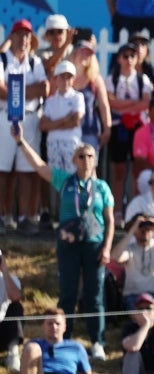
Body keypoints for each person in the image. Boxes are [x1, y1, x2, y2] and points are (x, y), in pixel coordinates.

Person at [13, 123, 113, 360]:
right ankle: (64, 339)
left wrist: (107, 248)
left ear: (95, 160)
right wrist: (20, 141)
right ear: (74, 160)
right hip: (68, 244)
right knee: (67, 292)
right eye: (81, 156)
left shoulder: (101, 187)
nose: (86, 160)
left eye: (90, 156)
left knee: (94, 293)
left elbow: (109, 220)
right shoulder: (65, 181)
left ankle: (97, 340)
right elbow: (39, 166)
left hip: (94, 244)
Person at [0, 19, 48, 232]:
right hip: (5, 117)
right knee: (3, 170)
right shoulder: (2, 59)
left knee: (28, 170)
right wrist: (26, 90)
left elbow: (44, 89)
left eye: (27, 35)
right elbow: (0, 90)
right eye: (20, 34)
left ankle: (25, 218)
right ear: (12, 37)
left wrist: (15, 90)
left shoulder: (34, 62)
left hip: (29, 119)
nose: (24, 39)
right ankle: (3, 215)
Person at [106, 42, 153, 206]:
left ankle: (136, 208)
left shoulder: (143, 79)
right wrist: (134, 104)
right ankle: (117, 209)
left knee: (137, 170)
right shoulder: (112, 78)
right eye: (125, 56)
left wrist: (125, 106)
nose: (129, 59)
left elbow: (146, 103)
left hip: (138, 128)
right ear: (119, 59)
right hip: (119, 127)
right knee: (119, 171)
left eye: (132, 56)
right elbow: (111, 102)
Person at [40, 59, 85, 176]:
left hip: (72, 143)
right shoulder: (50, 101)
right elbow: (43, 126)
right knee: (56, 180)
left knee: (73, 179)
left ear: (73, 80)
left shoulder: (78, 97)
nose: (65, 81)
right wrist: (64, 120)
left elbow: (76, 121)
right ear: (56, 79)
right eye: (62, 77)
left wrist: (53, 125)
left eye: (69, 77)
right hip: (53, 144)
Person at [71, 40, 111, 154]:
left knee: (89, 167)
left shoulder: (95, 79)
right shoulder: (65, 76)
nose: (85, 56)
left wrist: (107, 130)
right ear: (74, 53)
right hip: (67, 131)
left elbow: (104, 106)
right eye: (82, 52)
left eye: (88, 53)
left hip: (89, 130)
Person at [0, 248, 25, 371]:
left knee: (16, 307)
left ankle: (13, 353)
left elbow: (15, 296)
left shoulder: (11, 279)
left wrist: (4, 270)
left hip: (3, 331)